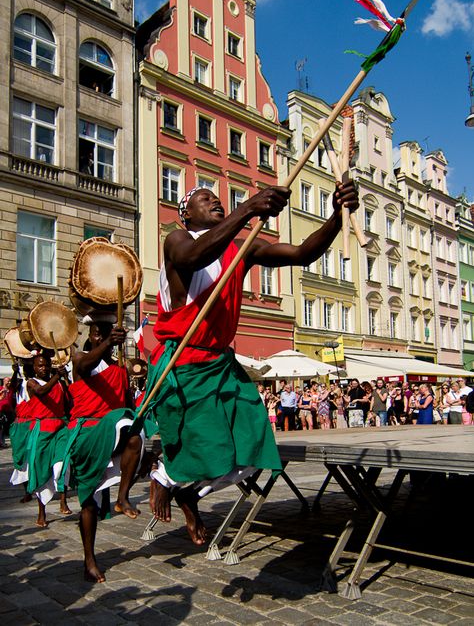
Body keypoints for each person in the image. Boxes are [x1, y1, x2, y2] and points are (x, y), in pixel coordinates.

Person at [143, 181, 358, 541]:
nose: (215, 201)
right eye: (203, 199)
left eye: (217, 198)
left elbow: (302, 253)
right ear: (185, 214)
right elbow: (193, 259)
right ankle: (164, 474)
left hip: (221, 364)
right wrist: (248, 209)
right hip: (184, 362)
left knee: (253, 446)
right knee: (205, 447)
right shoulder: (177, 240)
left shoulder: (242, 248)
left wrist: (337, 214)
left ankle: (187, 492)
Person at [61, 318, 143, 582]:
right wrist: (108, 341)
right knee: (89, 505)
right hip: (87, 433)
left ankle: (122, 497)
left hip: (112, 430)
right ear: (92, 336)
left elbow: (128, 404)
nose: (99, 339)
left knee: (135, 436)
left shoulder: (118, 368)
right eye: (96, 335)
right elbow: (84, 366)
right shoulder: (80, 358)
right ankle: (89, 560)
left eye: (105, 336)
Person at [9, 353, 71, 527]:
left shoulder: (57, 382)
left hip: (60, 429)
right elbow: (41, 392)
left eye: (46, 365)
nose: (43, 368)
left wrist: (66, 379)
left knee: (61, 466)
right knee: (40, 470)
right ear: (34, 368)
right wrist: (57, 377)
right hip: (42, 430)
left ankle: (63, 499)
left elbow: (69, 401)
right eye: (40, 366)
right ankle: (41, 511)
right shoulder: (31, 383)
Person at [0, 377, 15, 447]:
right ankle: (2, 442)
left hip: (10, 411)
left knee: (9, 427)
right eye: (8, 381)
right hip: (1, 410)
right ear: (4, 381)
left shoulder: (11, 389)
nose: (9, 382)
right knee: (2, 427)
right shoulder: (0, 388)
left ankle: (5, 442)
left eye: (10, 381)